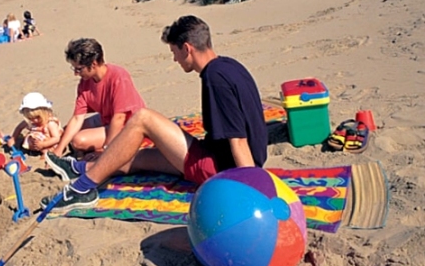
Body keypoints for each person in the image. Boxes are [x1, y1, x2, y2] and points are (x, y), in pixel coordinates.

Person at [40, 15, 268, 212]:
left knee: (142, 118)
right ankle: (80, 168)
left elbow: (238, 140)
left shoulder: (214, 79)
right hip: (218, 156)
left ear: (186, 48)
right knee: (138, 159)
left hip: (221, 170)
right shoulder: (228, 65)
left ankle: (83, 188)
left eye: (174, 52)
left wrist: (251, 189)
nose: (174, 59)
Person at [53, 38, 146, 158]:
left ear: (93, 64)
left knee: (78, 140)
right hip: (106, 118)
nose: (76, 73)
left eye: (79, 69)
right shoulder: (85, 83)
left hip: (129, 123)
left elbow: (119, 118)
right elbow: (77, 118)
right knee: (66, 131)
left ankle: (97, 149)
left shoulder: (118, 76)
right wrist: (59, 150)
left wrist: (106, 150)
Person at [5, 92, 63, 157]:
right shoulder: (31, 121)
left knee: (48, 150)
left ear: (45, 111)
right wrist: (13, 138)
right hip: (37, 142)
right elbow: (19, 127)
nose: (34, 120)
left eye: (38, 117)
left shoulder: (50, 123)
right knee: (24, 140)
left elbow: (56, 138)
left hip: (50, 143)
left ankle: (45, 153)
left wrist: (43, 144)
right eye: (30, 118)